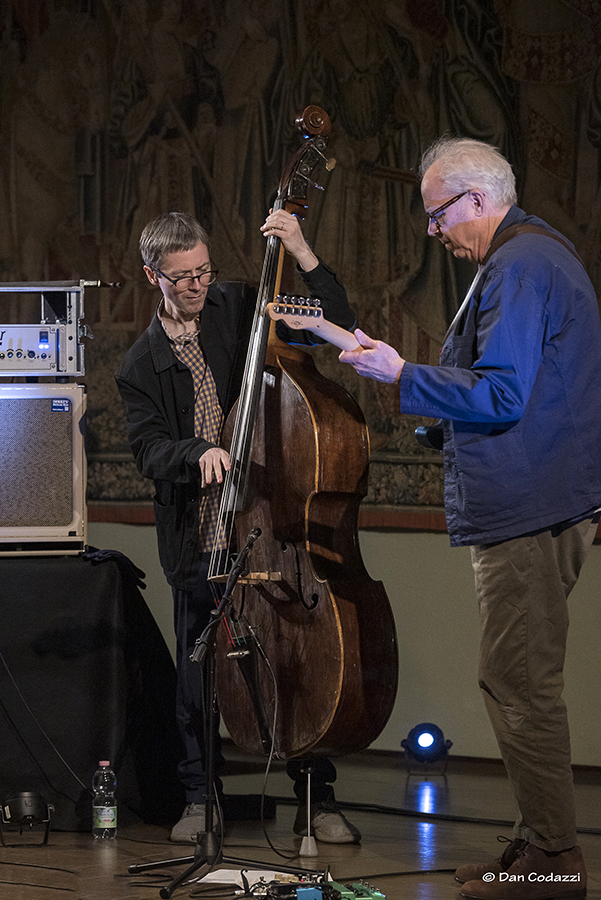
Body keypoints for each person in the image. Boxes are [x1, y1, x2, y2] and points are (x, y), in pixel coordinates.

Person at [339, 136, 601, 899]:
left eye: (436, 215)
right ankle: (534, 843)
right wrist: (436, 421)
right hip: (535, 497)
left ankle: (554, 860)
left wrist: (401, 373)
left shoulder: (519, 263)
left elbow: (503, 394)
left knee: (518, 682)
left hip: (526, 505)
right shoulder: (531, 256)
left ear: (476, 199)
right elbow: (529, 391)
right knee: (512, 679)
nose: (433, 232)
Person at [115, 209, 361, 845]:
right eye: (182, 279)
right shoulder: (140, 365)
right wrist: (195, 452)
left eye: (203, 272)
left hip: (269, 525)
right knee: (198, 676)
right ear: (153, 277)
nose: (198, 286)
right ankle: (201, 797)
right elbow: (147, 449)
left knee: (291, 659)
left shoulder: (239, 307)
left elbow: (332, 324)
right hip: (201, 535)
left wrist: (303, 250)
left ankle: (315, 794)